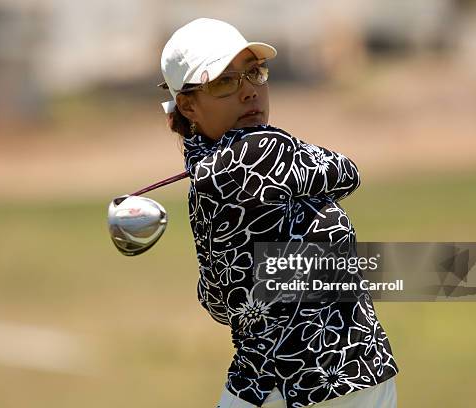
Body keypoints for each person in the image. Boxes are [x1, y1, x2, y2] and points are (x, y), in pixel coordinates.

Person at [159, 18, 399, 408]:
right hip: (334, 378)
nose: (249, 91)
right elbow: (345, 172)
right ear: (187, 104)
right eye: (224, 81)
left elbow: (218, 304)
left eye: (254, 72)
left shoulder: (200, 183)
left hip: (258, 384)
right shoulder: (261, 149)